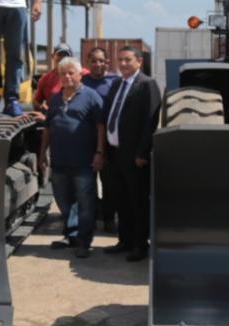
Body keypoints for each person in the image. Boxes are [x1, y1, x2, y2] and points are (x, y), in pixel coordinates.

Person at [38, 56, 106, 258]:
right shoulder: (56, 99)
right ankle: (72, 235)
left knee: (85, 204)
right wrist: (42, 152)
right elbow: (48, 127)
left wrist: (100, 152)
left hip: (83, 162)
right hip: (59, 162)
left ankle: (84, 242)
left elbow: (100, 127)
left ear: (79, 75)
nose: (66, 77)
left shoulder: (92, 97)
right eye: (63, 73)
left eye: (70, 73)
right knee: (63, 201)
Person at [101, 45, 161, 262]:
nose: (123, 64)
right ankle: (124, 241)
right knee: (121, 201)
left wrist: (142, 152)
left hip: (134, 156)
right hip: (115, 154)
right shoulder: (117, 83)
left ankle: (139, 245)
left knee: (138, 203)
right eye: (120, 60)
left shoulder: (147, 85)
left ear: (139, 62)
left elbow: (150, 121)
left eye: (127, 60)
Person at [81, 47, 119, 234]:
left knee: (109, 182)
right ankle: (95, 215)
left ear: (107, 62)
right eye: (94, 61)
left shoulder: (115, 83)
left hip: (110, 142)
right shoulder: (82, 82)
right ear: (87, 63)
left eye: (101, 61)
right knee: (88, 183)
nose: (98, 64)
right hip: (87, 140)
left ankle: (109, 217)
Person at [34, 42, 88, 112]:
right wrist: (44, 108)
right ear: (53, 56)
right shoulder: (45, 78)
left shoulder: (82, 73)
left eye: (65, 55)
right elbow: (36, 101)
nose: (62, 58)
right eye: (59, 55)